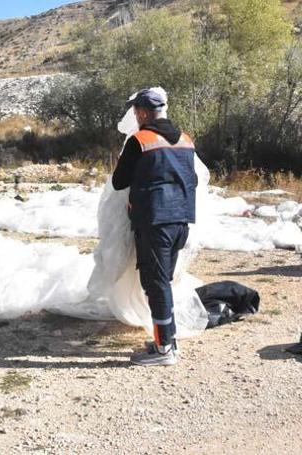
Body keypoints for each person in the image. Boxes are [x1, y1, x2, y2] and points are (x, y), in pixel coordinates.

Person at [111, 88, 198, 366]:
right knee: (163, 282)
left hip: (155, 221)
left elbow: (118, 181)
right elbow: (192, 179)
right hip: (181, 221)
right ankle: (166, 338)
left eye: (136, 111)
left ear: (145, 113)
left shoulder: (140, 140)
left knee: (155, 283)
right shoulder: (185, 140)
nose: (135, 116)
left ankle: (164, 351)